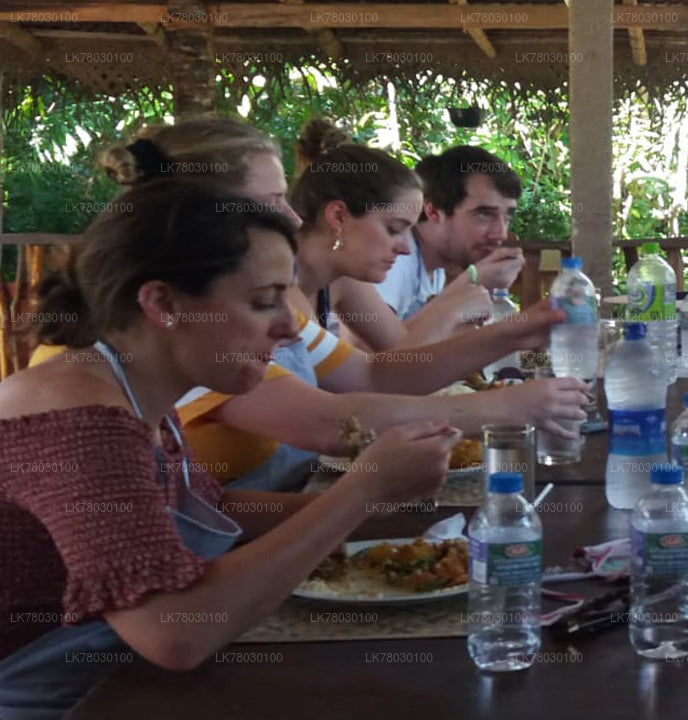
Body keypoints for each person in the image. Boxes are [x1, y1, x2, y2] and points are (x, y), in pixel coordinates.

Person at [0, 180, 461, 719]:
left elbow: (212, 510)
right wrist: (362, 492)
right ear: (163, 302)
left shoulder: (139, 387)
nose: (290, 329)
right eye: (264, 302)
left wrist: (393, 506)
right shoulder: (77, 419)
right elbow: (172, 632)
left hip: (124, 686)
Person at [34, 117, 587, 491]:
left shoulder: (243, 305)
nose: (295, 217)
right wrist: (503, 410)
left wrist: (516, 331)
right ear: (198, 208)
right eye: (272, 200)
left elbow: (370, 374)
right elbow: (327, 423)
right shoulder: (174, 322)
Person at [330, 144, 528, 350]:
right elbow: (366, 354)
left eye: (506, 217)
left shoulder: (434, 269)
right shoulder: (394, 259)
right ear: (434, 212)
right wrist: (469, 283)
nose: (501, 233)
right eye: (484, 214)